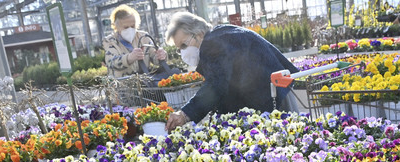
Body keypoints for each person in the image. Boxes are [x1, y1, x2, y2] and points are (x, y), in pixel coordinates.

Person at [164, 12, 298, 132]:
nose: (183, 52)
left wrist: (185, 114)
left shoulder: (212, 43)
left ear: (199, 34)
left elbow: (216, 85)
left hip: (273, 99)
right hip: (275, 94)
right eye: (179, 49)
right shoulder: (221, 34)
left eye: (184, 45)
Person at [103, 5, 168, 78]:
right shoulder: (109, 41)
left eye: (133, 26)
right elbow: (111, 62)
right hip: (122, 85)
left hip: (146, 83)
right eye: (126, 27)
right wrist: (129, 58)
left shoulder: (144, 37)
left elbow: (154, 56)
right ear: (116, 27)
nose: (130, 30)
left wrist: (161, 55)